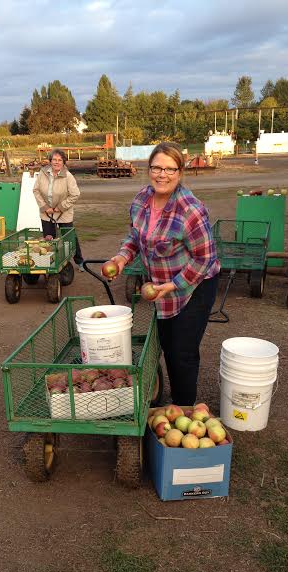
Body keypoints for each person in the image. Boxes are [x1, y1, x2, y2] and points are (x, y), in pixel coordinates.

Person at [109, 142, 220, 406]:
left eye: (170, 169)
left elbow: (204, 258)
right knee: (166, 344)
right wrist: (121, 257)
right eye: (157, 167)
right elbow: (134, 237)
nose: (163, 174)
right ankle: (168, 400)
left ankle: (183, 409)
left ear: (180, 173)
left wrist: (172, 286)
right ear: (148, 170)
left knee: (182, 352)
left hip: (195, 286)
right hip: (161, 288)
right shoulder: (140, 201)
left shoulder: (190, 210)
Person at [33, 148, 84, 270]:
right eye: (54, 160)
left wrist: (60, 207)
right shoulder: (43, 173)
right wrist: (44, 207)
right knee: (49, 238)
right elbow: (36, 190)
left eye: (59, 160)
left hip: (63, 213)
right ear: (50, 161)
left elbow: (75, 194)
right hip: (47, 213)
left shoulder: (68, 176)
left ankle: (79, 261)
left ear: (63, 162)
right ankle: (50, 262)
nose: (56, 162)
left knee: (69, 238)